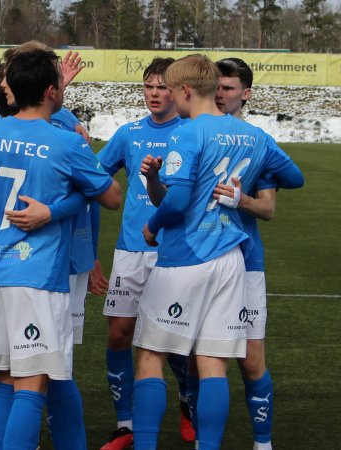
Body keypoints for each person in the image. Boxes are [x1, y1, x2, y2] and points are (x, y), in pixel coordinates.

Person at [0, 47, 121, 450]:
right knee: (33, 382)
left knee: (1, 377)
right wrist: (58, 208)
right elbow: (111, 196)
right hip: (37, 278)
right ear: (51, 90)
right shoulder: (65, 142)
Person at [131, 54, 300, 450]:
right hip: (231, 258)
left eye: (171, 90)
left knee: (151, 357)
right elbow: (295, 177)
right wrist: (255, 174)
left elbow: (176, 202)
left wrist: (151, 227)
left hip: (186, 254)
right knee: (212, 364)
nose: (169, 98)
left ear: (185, 91)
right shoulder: (254, 137)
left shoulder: (187, 133)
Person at [96, 57, 195, 450]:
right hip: (130, 252)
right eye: (149, 86)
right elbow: (95, 175)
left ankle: (188, 403)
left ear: (177, 90)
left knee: (170, 342)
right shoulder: (128, 133)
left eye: (162, 86)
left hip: (173, 252)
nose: (155, 93)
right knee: (119, 334)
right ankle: (126, 426)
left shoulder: (189, 133)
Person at [207, 57, 303, 450]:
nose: (220, 93)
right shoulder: (197, 132)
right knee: (199, 359)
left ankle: (262, 444)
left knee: (249, 359)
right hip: (199, 259)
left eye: (228, 88)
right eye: (216, 86)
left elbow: (271, 205)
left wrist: (241, 198)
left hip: (246, 260)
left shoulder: (258, 142)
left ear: (245, 94)